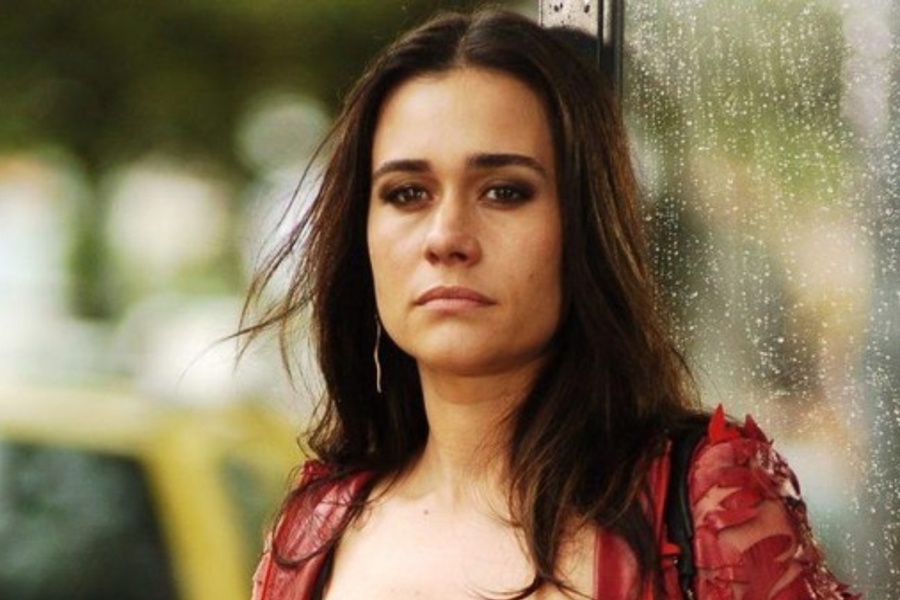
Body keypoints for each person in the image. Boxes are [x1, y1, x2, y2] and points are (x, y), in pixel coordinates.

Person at [239, 8, 858, 600]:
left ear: (585, 224)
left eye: (504, 192)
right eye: (407, 194)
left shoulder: (707, 506)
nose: (446, 238)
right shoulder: (314, 533)